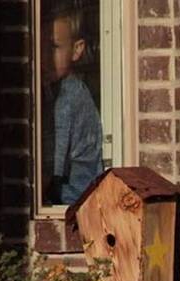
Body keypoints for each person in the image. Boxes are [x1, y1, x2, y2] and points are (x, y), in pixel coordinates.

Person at [43, 0, 102, 205]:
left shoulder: (70, 98)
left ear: (77, 50)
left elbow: (49, 177)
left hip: (73, 203)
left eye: (53, 47)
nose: (43, 56)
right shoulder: (50, 91)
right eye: (40, 46)